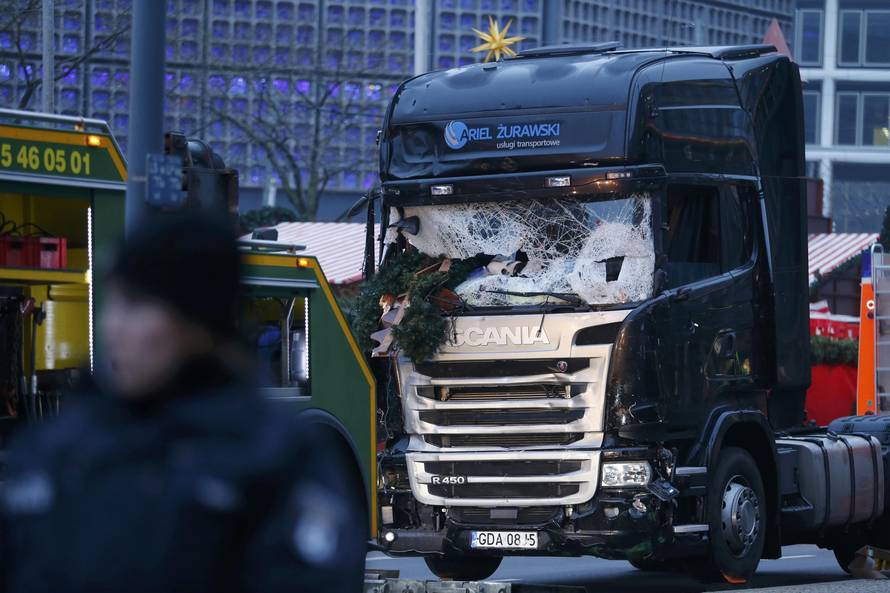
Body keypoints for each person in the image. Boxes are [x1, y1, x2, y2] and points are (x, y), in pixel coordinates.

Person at [0, 213, 366, 593]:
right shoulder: (57, 450)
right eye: (115, 303)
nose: (113, 327)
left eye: (137, 305)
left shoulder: (274, 460)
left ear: (199, 323)